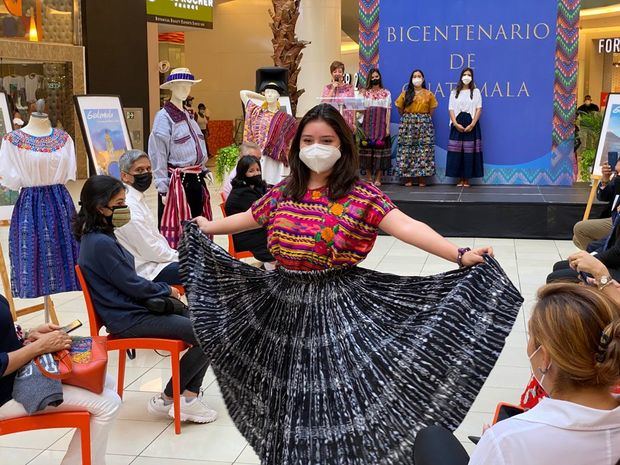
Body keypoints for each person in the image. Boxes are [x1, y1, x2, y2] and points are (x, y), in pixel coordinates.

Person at [183, 103, 523, 464]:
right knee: (287, 401)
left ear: (342, 145)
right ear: (297, 145)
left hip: (337, 310)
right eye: (309, 139)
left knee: (336, 400)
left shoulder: (361, 195)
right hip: (281, 308)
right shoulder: (286, 190)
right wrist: (208, 227)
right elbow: (251, 217)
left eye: (326, 139)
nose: (317, 147)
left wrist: (458, 254)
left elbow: (407, 227)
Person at [74, 175, 217, 424]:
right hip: (129, 318)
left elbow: (128, 281)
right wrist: (165, 290)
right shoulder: (99, 243)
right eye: (119, 203)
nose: (124, 208)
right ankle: (171, 398)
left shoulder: (101, 237)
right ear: (100, 207)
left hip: (132, 310)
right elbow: (132, 285)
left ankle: (185, 398)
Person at [468, 283, 620, 465]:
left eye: (530, 337)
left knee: (434, 438)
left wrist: (493, 449)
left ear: (545, 357)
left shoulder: (507, 441)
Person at [0, 294, 122, 465]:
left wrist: (30, 333)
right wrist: (39, 347)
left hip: (18, 376)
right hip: (6, 395)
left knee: (105, 382)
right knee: (109, 404)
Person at [115, 150, 181, 285]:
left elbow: (155, 239)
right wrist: (179, 257)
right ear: (124, 176)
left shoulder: (136, 198)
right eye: (139, 170)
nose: (145, 174)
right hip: (148, 270)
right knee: (206, 270)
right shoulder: (128, 205)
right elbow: (149, 249)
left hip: (156, 262)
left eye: (148, 169)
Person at [225, 155, 275, 268]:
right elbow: (261, 215)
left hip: (254, 230)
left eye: (258, 170)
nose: (256, 173)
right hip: (245, 235)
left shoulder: (254, 187)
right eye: (251, 171)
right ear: (243, 173)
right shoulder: (241, 193)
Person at [395, 69, 438, 187]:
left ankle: (421, 179)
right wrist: (408, 117)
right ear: (411, 79)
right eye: (415, 76)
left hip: (424, 124)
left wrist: (422, 118)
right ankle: (408, 178)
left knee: (423, 151)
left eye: (419, 76)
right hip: (408, 123)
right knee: (407, 149)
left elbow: (432, 109)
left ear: (423, 79)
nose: (417, 78)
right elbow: (399, 107)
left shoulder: (429, 94)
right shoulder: (405, 93)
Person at [446, 68, 484, 187]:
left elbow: (479, 108)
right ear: (461, 76)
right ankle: (459, 179)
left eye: (469, 75)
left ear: (472, 77)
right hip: (457, 123)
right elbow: (450, 108)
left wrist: (472, 124)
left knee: (469, 152)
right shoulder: (454, 92)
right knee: (457, 152)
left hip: (471, 123)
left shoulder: (476, 91)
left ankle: (466, 180)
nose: (466, 77)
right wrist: (455, 124)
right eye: (464, 74)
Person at [573, 160, 620, 251]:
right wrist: (605, 180)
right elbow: (604, 197)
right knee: (577, 238)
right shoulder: (617, 174)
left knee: (580, 229)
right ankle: (599, 256)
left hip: (617, 219)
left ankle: (598, 260)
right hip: (613, 216)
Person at [359, 68, 392, 187]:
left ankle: (378, 178)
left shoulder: (386, 93)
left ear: (380, 78)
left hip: (381, 125)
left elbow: (388, 110)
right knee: (366, 151)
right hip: (367, 124)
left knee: (380, 152)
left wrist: (387, 127)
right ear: (369, 79)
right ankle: (368, 178)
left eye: (376, 77)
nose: (374, 79)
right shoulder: (364, 93)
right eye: (372, 77)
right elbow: (359, 110)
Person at [321, 60, 356, 131]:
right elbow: (324, 104)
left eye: (340, 71)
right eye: (335, 71)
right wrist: (333, 88)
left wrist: (354, 122)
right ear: (331, 73)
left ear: (343, 73)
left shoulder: (349, 88)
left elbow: (353, 105)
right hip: (332, 120)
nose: (337, 73)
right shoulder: (327, 88)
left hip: (346, 121)